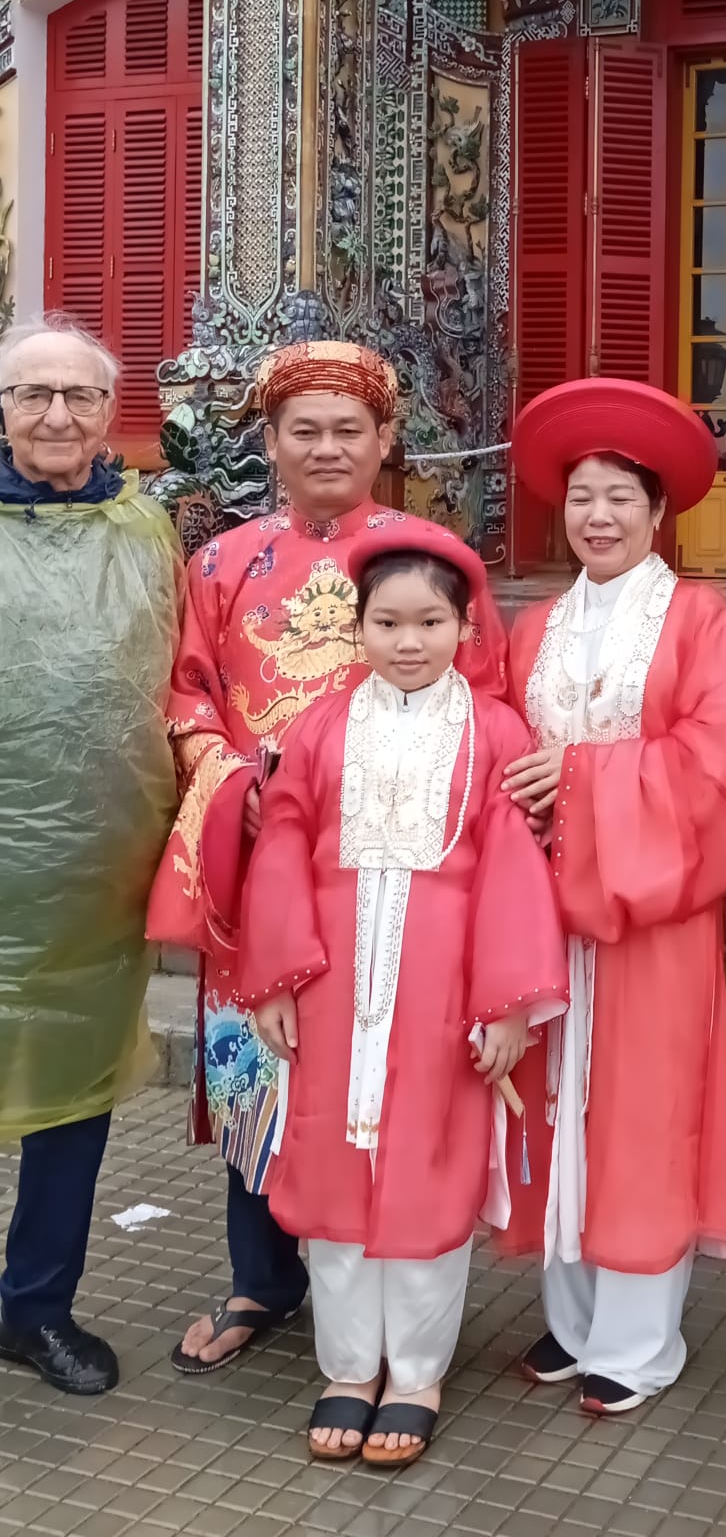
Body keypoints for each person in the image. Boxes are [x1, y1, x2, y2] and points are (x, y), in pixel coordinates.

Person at [147, 339, 507, 1375]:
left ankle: (389, 1283)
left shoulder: (431, 557)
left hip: (401, 874)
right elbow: (186, 697)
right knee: (258, 1064)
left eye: (350, 429)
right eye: (303, 430)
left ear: (387, 439)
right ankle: (262, 1278)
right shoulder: (221, 564)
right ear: (269, 442)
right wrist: (236, 784)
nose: (327, 448)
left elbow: (483, 699)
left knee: (391, 1074)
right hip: (263, 854)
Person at [240, 524, 567, 1467]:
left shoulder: (497, 731)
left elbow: (514, 868)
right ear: (359, 628)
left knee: (429, 1165)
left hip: (444, 986)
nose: (409, 640)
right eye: (387, 622)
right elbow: (283, 846)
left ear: (466, 626)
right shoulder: (320, 727)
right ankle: (348, 1367)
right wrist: (276, 980)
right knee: (335, 1164)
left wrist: (505, 1003)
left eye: (430, 621)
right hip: (333, 985)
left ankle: (416, 1374)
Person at [497, 378, 726, 1417]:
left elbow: (717, 766)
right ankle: (573, 1320)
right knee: (559, 1102)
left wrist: (577, 779)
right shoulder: (535, 627)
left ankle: (638, 1339)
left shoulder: (699, 619)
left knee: (644, 1111)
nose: (599, 516)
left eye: (621, 497)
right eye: (582, 496)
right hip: (547, 905)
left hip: (659, 907)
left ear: (659, 513)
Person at [0, 317, 180, 1396]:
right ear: (2, 410)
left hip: (96, 875)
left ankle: (36, 1308)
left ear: (111, 413)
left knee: (71, 1095)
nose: (57, 416)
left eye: (79, 396)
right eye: (33, 394)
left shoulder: (147, 530)